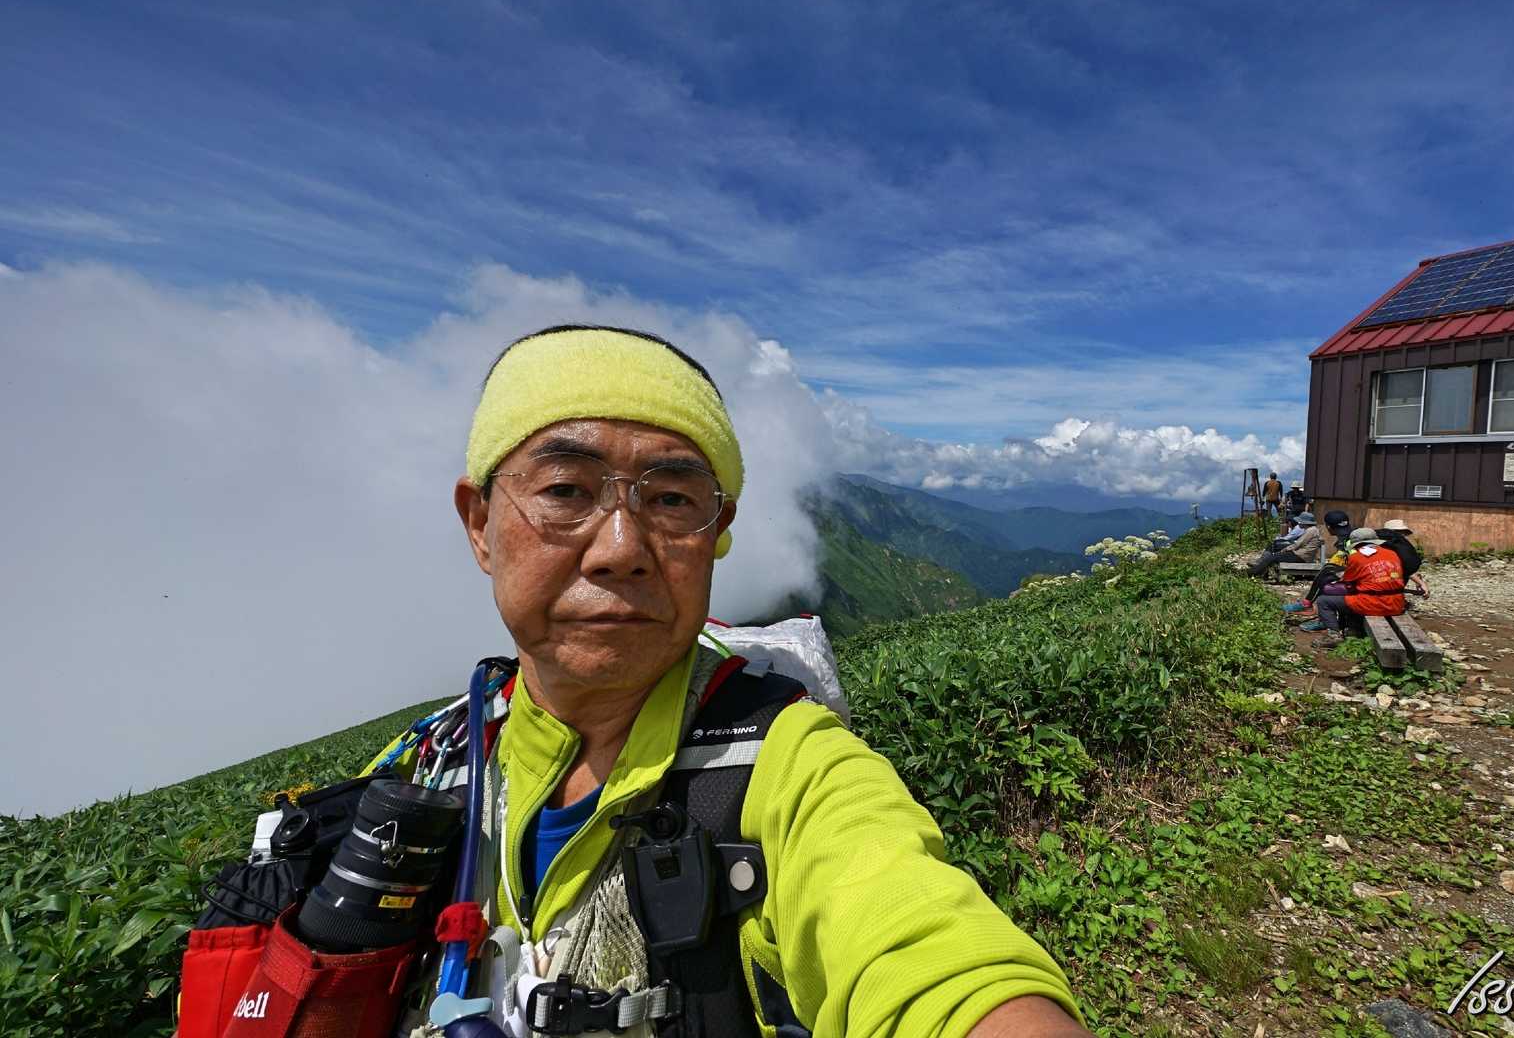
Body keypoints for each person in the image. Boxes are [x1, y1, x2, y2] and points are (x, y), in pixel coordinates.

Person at [377, 325, 1089, 1037]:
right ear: (480, 522)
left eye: (672, 500)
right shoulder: (424, 763)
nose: (621, 549)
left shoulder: (792, 764)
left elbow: (930, 955)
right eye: (565, 489)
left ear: (717, 530)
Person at [1305, 527, 1406, 642]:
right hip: (1397, 603)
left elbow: (1347, 581)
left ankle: (1334, 635)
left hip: (1374, 603)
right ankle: (1353, 628)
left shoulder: (1356, 557)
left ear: (1356, 544)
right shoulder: (1392, 554)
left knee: (1324, 601)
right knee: (1353, 596)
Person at [1283, 509, 1351, 614]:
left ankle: (1307, 604)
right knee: (1327, 571)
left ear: (1328, 527)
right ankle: (1308, 604)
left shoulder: (1347, 541)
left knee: (1327, 575)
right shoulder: (1348, 536)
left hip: (1357, 577)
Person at [1247, 512, 1323, 578]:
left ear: (1305, 522)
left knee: (1273, 557)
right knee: (1274, 555)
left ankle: (1252, 572)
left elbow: (1298, 544)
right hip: (1301, 555)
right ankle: (1259, 569)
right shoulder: (1312, 530)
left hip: (1301, 556)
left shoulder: (1311, 530)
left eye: (1300, 522)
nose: (1299, 523)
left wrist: (1286, 549)